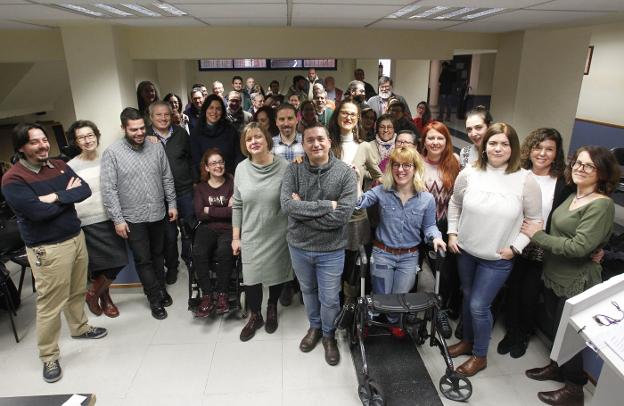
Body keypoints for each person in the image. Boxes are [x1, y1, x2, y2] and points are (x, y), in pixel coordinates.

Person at [2, 123, 107, 383]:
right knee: (50, 304)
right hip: (47, 248)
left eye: (44, 140)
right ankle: (48, 356)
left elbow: (83, 190)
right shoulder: (13, 179)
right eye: (34, 142)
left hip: (75, 237)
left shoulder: (59, 164)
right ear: (21, 148)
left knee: (77, 290)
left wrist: (53, 197)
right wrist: (66, 195)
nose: (43, 145)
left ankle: (80, 328)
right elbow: (37, 213)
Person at [522, 146, 619, 406]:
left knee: (569, 336)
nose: (579, 168)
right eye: (578, 163)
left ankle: (574, 388)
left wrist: (538, 235)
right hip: (555, 274)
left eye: (588, 166)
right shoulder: (573, 195)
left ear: (602, 174)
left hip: (576, 281)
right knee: (556, 329)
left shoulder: (601, 205)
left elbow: (578, 248)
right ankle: (556, 366)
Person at [446, 122, 542, 377]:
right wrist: (452, 232)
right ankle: (467, 341)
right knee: (467, 296)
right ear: (484, 146)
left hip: (497, 258)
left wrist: (516, 248)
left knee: (479, 305)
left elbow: (535, 220)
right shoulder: (469, 173)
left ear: (514, 148)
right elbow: (454, 204)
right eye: (493, 143)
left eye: (504, 143)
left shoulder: (525, 180)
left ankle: (479, 355)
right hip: (465, 251)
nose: (498, 148)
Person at [281, 124, 357, 365]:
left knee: (331, 298)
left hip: (331, 250)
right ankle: (314, 327)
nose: (315, 144)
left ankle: (328, 335)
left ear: (329, 141)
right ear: (302, 145)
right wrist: (326, 205)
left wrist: (303, 212)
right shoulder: (293, 172)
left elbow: (343, 216)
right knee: (308, 291)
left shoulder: (345, 173)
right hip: (299, 247)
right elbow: (287, 206)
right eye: (310, 140)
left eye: (320, 139)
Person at [496, 128, 572, 359]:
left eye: (549, 149)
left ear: (557, 153)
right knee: (512, 289)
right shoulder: (517, 173)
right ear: (529, 149)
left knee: (529, 294)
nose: (542, 153)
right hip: (515, 241)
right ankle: (510, 331)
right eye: (538, 147)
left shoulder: (563, 182)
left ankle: (522, 335)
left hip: (541, 247)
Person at [356, 146, 445, 336]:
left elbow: (430, 226)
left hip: (409, 257)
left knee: (400, 298)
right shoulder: (381, 191)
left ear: (415, 168)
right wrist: (357, 182)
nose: (401, 170)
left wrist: (436, 237)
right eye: (396, 165)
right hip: (383, 254)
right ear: (390, 168)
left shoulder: (427, 199)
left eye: (407, 165)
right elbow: (359, 203)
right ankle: (372, 319)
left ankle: (394, 322)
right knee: (382, 296)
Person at [101, 107, 178, 320]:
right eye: (133, 129)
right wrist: (117, 219)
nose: (139, 133)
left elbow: (166, 177)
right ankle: (154, 298)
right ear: (123, 128)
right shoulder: (112, 153)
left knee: (158, 255)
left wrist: (172, 204)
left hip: (158, 213)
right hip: (132, 218)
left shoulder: (156, 147)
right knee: (143, 260)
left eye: (142, 128)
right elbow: (109, 189)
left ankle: (161, 290)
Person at [232, 123, 292, 342]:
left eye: (258, 137)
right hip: (251, 234)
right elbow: (237, 204)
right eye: (249, 139)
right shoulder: (240, 169)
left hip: (278, 233)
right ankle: (255, 315)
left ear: (267, 140)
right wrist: (236, 237)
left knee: (276, 274)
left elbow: (291, 199)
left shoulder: (285, 167)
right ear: (245, 145)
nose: (254, 142)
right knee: (252, 279)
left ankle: (272, 306)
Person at [66, 120, 128, 318]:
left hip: (110, 217)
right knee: (99, 266)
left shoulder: (108, 158)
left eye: (90, 135)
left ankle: (92, 294)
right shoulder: (70, 166)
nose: (87, 140)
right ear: (76, 141)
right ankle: (106, 299)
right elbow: (68, 195)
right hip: (85, 222)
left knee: (118, 260)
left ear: (97, 136)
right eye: (81, 137)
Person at [146, 101, 196, 285]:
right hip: (161, 196)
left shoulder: (181, 133)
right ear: (151, 117)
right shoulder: (144, 137)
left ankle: (191, 260)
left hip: (184, 190)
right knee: (168, 235)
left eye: (166, 114)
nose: (163, 118)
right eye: (158, 115)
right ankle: (172, 267)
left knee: (190, 228)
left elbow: (191, 159)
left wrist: (194, 182)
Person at [328, 100, 373, 303]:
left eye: (352, 115)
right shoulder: (327, 144)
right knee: (333, 261)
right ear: (337, 117)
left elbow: (382, 174)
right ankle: (333, 303)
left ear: (357, 120)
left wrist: (367, 194)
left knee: (353, 263)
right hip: (331, 215)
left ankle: (349, 305)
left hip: (356, 217)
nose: (348, 117)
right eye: (344, 113)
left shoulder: (365, 146)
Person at [418, 121, 461, 337]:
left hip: (444, 224)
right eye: (431, 138)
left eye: (440, 138)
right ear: (424, 141)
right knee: (414, 270)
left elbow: (458, 199)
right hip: (416, 225)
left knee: (445, 272)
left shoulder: (454, 162)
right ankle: (413, 312)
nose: (435, 142)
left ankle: (441, 311)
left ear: (446, 141)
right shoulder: (415, 162)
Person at [192, 148, 234, 317]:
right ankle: (207, 295)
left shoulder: (232, 184)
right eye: (214, 163)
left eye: (220, 162)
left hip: (229, 228)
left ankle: (222, 295)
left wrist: (210, 209)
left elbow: (234, 212)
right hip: (207, 228)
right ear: (207, 168)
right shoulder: (201, 188)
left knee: (225, 250)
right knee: (198, 251)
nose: (218, 166)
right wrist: (223, 209)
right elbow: (199, 213)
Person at [190, 94, 243, 176]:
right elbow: (195, 162)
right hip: (206, 181)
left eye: (218, 109)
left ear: (222, 112)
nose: (214, 112)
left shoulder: (230, 130)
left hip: (230, 179)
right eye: (211, 108)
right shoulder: (196, 133)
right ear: (205, 110)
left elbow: (238, 156)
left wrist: (235, 176)